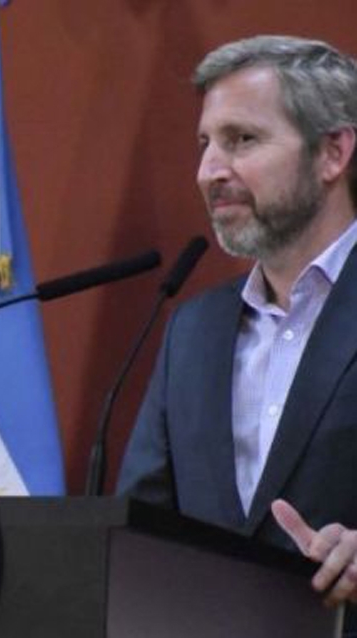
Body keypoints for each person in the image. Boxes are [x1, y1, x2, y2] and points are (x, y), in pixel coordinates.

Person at [117, 34, 357, 627]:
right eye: (205, 144)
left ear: (333, 152)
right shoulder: (192, 331)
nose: (209, 172)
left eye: (242, 140)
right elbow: (141, 528)